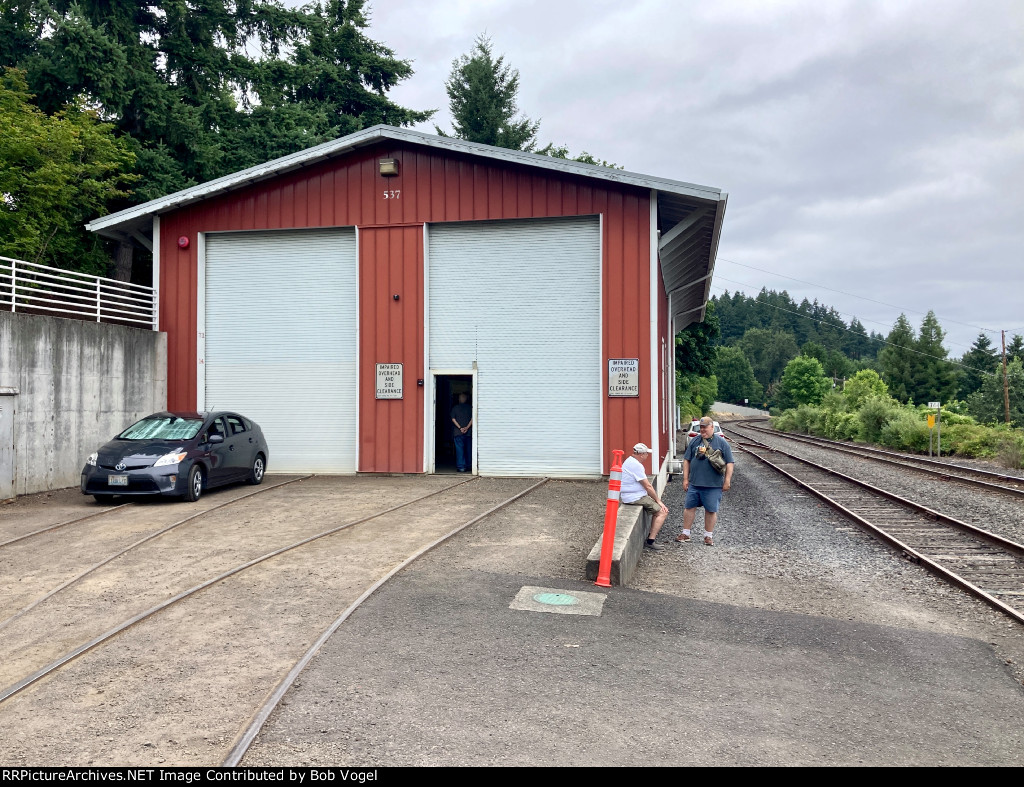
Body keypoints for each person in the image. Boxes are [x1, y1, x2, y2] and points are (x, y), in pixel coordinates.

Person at [678, 416, 734, 546]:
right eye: (701, 427)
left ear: (712, 427)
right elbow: (687, 460)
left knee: (711, 510)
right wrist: (685, 479)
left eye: (705, 427)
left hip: (713, 485)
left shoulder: (721, 442)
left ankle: (708, 536)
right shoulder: (695, 441)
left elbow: (730, 463)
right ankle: (686, 533)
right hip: (695, 483)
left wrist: (727, 481)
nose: (702, 430)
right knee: (689, 507)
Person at [620, 442, 670, 551]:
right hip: (634, 497)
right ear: (641, 454)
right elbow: (648, 486)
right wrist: (658, 501)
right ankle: (650, 541)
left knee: (657, 509)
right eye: (646, 454)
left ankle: (650, 537)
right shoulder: (636, 465)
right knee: (662, 512)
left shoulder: (629, 461)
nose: (647, 456)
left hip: (629, 495)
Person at [450, 392, 473, 472]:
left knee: (460, 450)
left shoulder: (455, 408)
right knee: (469, 450)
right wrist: (467, 427)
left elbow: (453, 419)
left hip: (458, 432)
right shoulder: (470, 408)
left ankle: (461, 467)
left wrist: (460, 428)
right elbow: (473, 418)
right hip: (468, 432)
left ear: (459, 399)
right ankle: (469, 466)